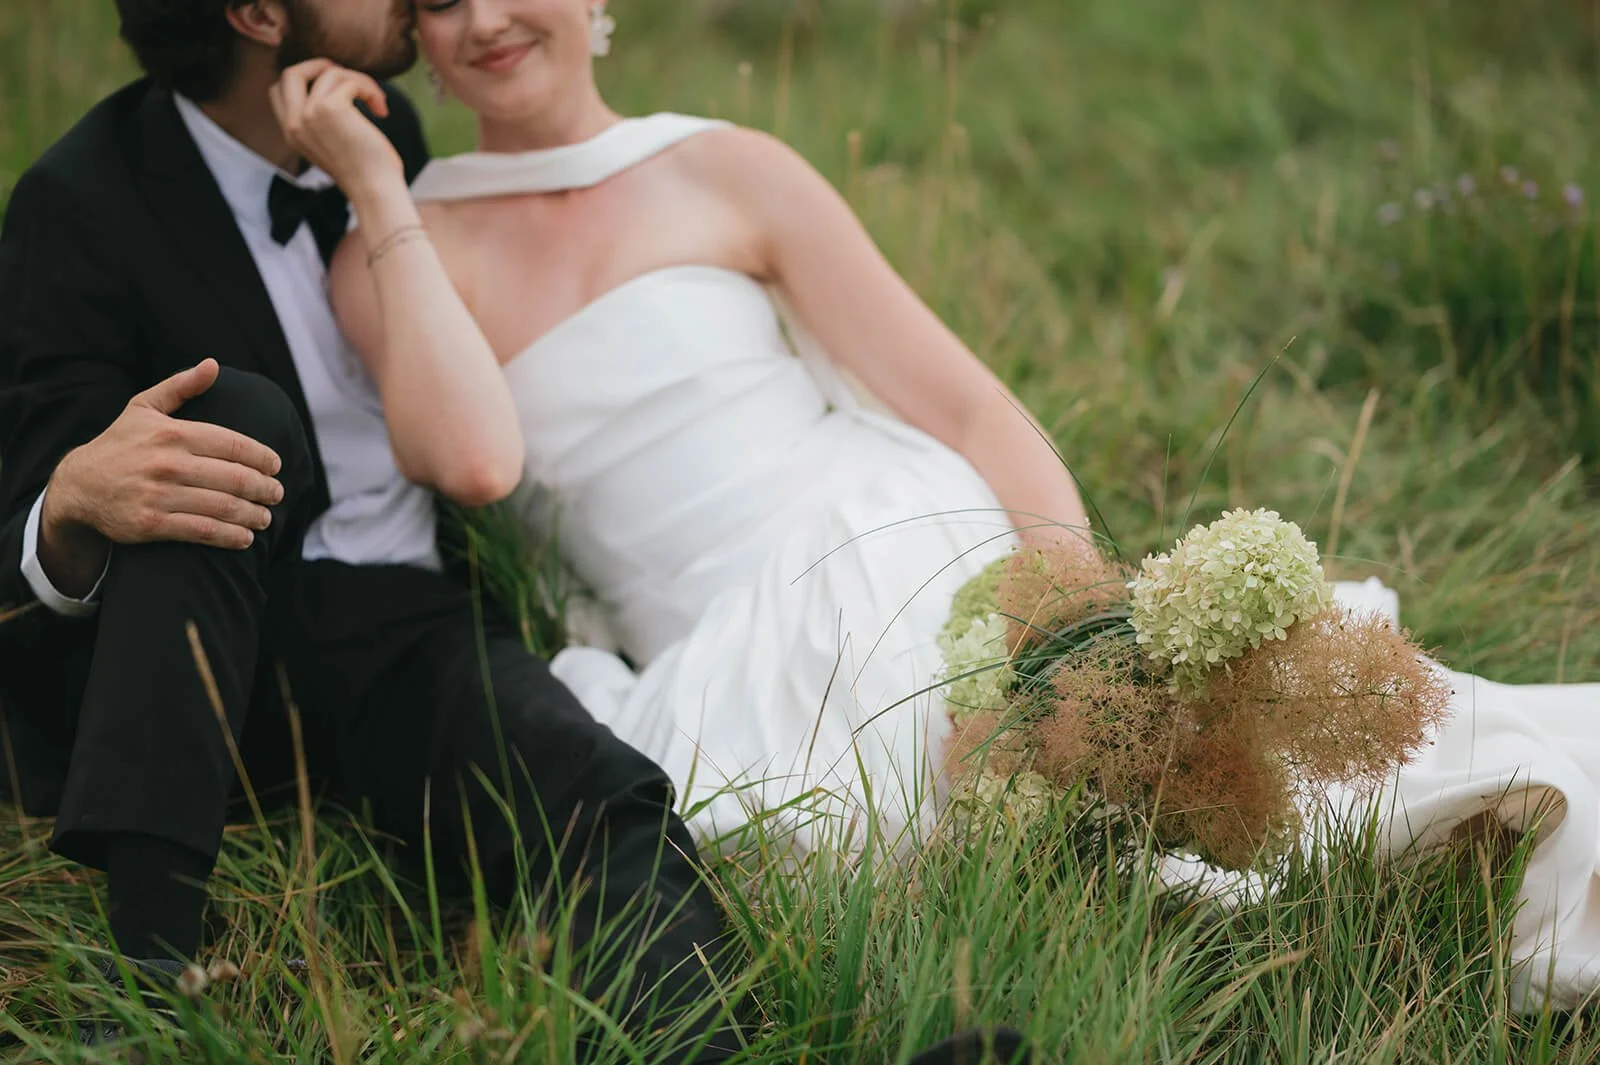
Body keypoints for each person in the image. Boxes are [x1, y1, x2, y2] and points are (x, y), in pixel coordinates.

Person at [294, 0, 1600, 1015]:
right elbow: (466, 460)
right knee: (893, 849)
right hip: (719, 647)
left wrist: (1071, 619)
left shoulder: (726, 169)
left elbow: (973, 411)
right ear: (411, 37)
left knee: (1155, 764)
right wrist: (380, 184)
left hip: (884, 538)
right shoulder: (401, 247)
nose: (482, 21)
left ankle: (1374, 848)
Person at [0, 0, 737, 1057]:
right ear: (259, 14)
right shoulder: (81, 200)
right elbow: (29, 524)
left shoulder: (382, 127)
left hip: (403, 630)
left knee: (601, 795)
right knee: (225, 417)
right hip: (216, 653)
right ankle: (146, 970)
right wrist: (76, 496)